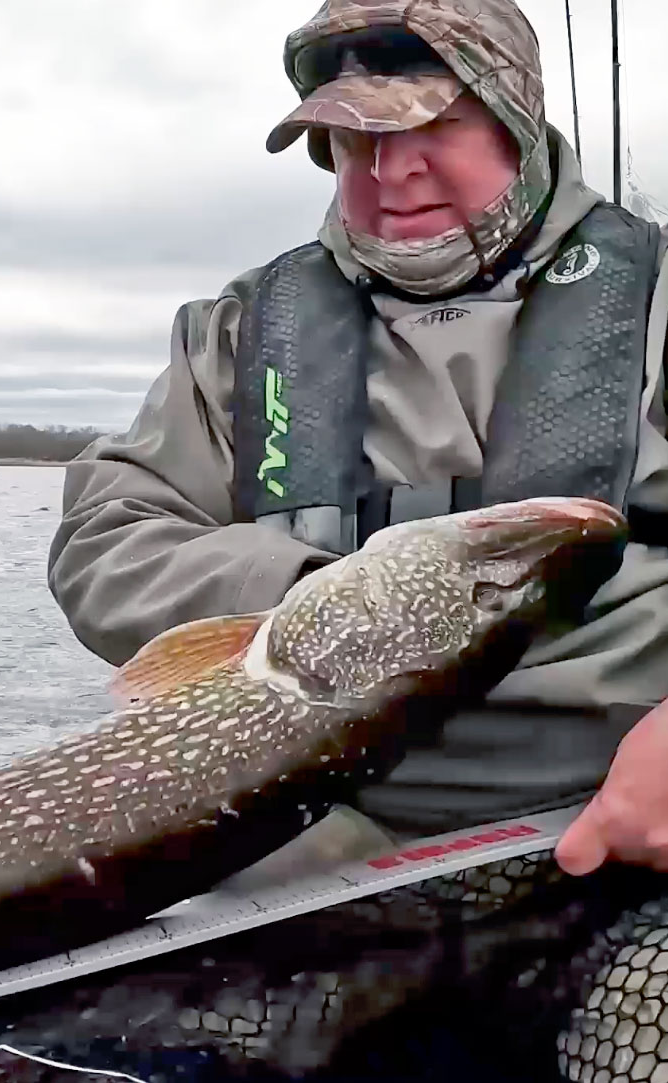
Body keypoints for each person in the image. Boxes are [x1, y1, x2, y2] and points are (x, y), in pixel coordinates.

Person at [48, 0, 668, 881]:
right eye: (352, 140)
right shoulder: (242, 330)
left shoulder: (658, 295)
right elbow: (106, 543)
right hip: (313, 815)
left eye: (437, 127)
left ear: (518, 123)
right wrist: (328, 602)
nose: (392, 172)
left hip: (611, 800)